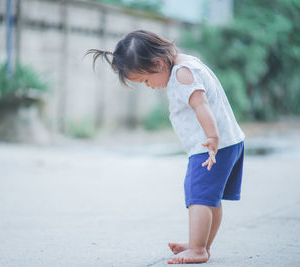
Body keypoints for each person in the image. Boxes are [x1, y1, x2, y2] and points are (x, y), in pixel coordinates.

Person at [86, 30, 245, 264]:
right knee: (210, 198)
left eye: (146, 80)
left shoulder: (181, 74)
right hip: (229, 143)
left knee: (198, 196)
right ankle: (200, 245)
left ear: (158, 63)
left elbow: (200, 105)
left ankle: (198, 249)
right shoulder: (187, 63)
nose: (149, 86)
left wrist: (212, 137)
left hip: (210, 147)